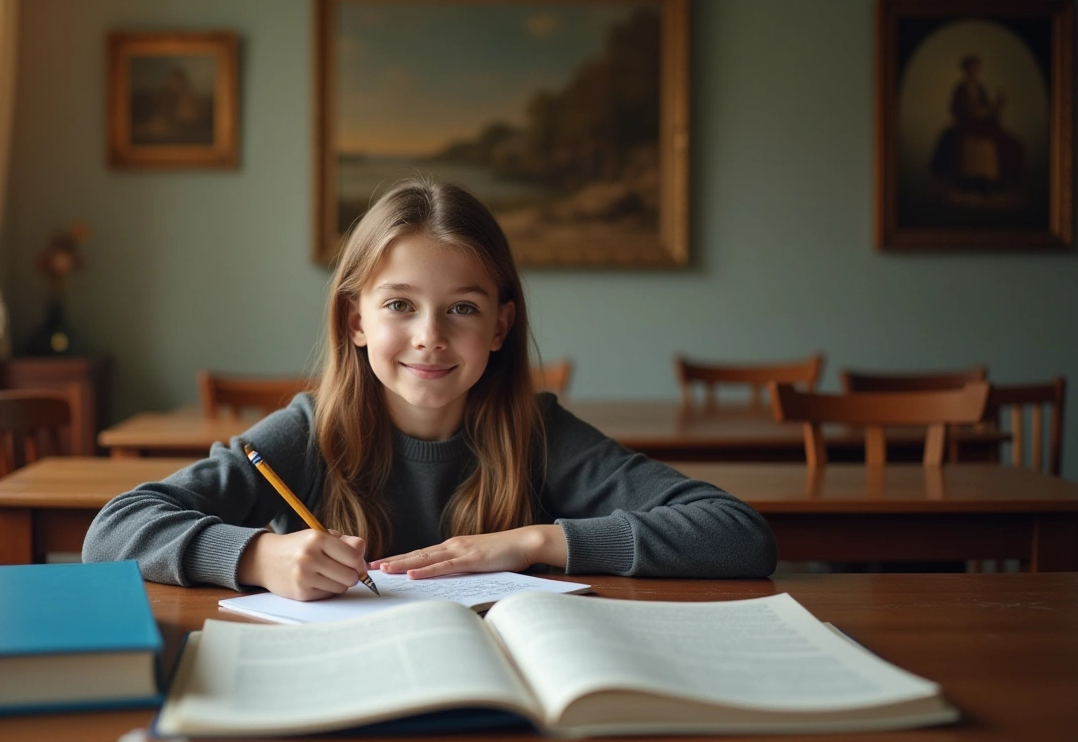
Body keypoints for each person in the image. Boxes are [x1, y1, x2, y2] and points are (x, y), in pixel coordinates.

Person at [82, 178, 776, 601]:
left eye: (463, 309)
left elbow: (739, 536)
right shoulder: (309, 431)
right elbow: (113, 531)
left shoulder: (540, 433)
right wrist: (258, 556)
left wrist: (533, 542)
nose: (430, 337)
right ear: (356, 320)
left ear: (502, 325)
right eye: (400, 306)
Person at [930, 54, 1024, 196]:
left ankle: (988, 182)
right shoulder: (961, 88)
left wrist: (991, 108)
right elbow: (955, 108)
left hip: (980, 124)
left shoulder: (980, 88)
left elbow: (986, 107)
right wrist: (971, 112)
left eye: (975, 68)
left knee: (1002, 141)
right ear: (966, 69)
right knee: (957, 141)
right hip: (967, 123)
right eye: (970, 68)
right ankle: (964, 182)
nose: (973, 71)